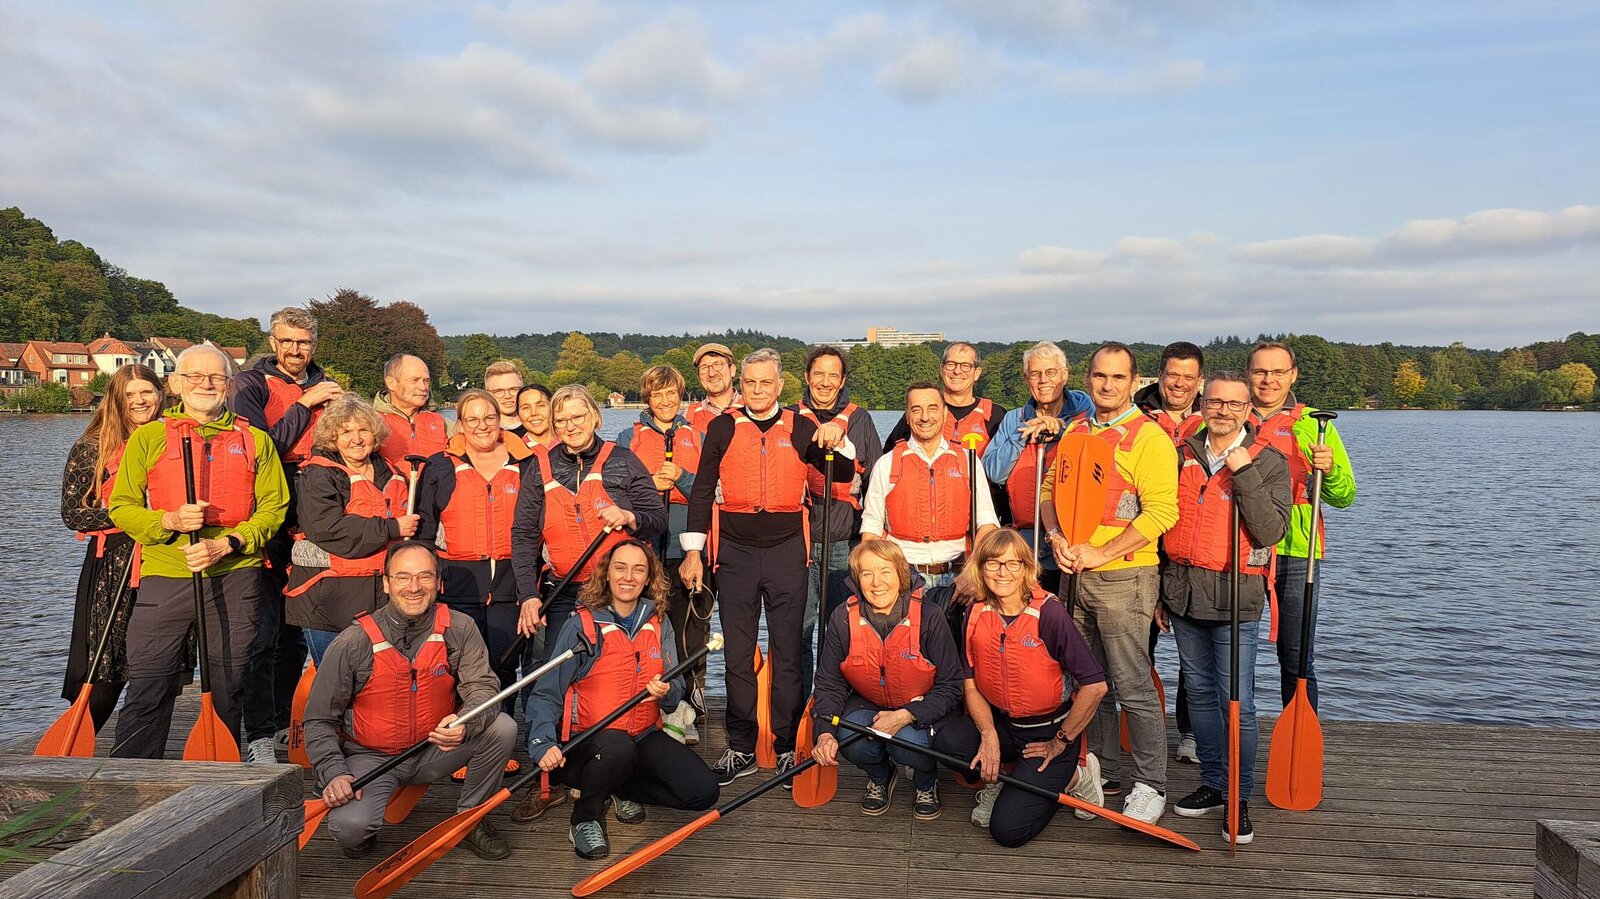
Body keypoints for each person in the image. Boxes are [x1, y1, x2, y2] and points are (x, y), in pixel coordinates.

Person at [678, 348, 854, 786]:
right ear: (742, 384)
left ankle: (787, 744)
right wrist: (694, 552)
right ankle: (741, 746)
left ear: (780, 385)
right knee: (737, 654)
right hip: (735, 552)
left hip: (787, 552)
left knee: (788, 651)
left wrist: (838, 437)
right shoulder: (722, 427)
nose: (757, 390)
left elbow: (843, 473)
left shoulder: (801, 427)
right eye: (750, 382)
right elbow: (702, 491)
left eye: (766, 382)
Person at [107, 344, 289, 759]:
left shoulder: (256, 440)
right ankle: (132, 772)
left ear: (229, 385)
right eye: (194, 376)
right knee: (150, 680)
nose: (206, 384)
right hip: (166, 571)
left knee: (229, 683)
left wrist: (227, 542)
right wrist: (169, 520)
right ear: (176, 384)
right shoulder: (149, 438)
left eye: (216, 377)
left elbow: (274, 508)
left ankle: (217, 774)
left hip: (234, 573)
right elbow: (122, 507)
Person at [303, 541, 514, 861]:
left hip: (434, 749)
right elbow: (319, 718)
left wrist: (466, 723)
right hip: (372, 758)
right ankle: (365, 822)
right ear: (387, 583)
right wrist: (333, 772)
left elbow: (483, 687)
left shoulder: (460, 627)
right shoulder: (354, 641)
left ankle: (470, 819)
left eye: (425, 576)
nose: (414, 587)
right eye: (403, 577)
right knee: (349, 828)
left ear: (438, 582)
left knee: (503, 726)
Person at [1039, 342, 1178, 824]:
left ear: (1135, 383)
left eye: (1118, 377)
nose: (1107, 385)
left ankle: (1151, 784)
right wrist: (1056, 537)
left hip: (1124, 577)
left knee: (1132, 685)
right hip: (1073, 575)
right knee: (1089, 682)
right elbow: (1049, 492)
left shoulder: (1149, 437)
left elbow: (1162, 512)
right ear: (1088, 378)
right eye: (1100, 376)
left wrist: (1101, 552)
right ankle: (1100, 772)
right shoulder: (1076, 429)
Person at [525, 540, 720, 860]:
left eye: (638, 570)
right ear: (606, 574)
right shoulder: (580, 625)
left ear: (648, 578)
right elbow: (547, 692)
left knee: (702, 792)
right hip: (586, 745)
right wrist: (542, 743)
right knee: (617, 745)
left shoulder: (659, 623)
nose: (628, 577)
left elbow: (674, 698)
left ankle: (616, 787)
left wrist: (667, 692)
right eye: (620, 568)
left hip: (642, 735)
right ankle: (584, 817)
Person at [1160, 372, 1291, 845]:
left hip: (1237, 598)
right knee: (1197, 694)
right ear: (1202, 405)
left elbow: (1271, 531)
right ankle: (1214, 783)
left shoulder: (1269, 462)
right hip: (1183, 593)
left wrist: (1244, 473)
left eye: (1234, 404)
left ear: (1247, 409)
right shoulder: (1179, 455)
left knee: (1238, 702)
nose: (1224, 411)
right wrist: (1158, 593)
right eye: (1215, 402)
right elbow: (1160, 524)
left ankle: (1239, 796)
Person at [932, 529, 1107, 847]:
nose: (1003, 572)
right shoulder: (975, 611)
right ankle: (1002, 779)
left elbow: (1095, 686)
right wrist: (988, 735)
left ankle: (1077, 776)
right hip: (1003, 725)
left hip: (1048, 734)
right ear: (980, 568)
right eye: (993, 563)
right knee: (947, 741)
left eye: (1013, 564)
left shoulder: (1049, 613)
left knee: (1007, 831)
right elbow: (970, 683)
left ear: (1027, 568)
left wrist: (1061, 740)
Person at [229, 307, 343, 762]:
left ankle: (284, 722)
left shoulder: (326, 382)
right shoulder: (249, 384)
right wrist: (305, 405)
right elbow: (261, 448)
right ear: (274, 342)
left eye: (304, 342)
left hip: (315, 504)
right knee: (263, 630)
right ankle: (258, 733)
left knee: (301, 622)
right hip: (267, 504)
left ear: (314, 344)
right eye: (287, 341)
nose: (296, 350)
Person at [810, 539, 963, 820]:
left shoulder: (929, 615)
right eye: (867, 573)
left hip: (920, 706)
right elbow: (830, 684)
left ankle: (926, 781)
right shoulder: (842, 617)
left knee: (906, 741)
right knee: (849, 736)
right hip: (867, 702)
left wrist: (908, 714)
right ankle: (880, 776)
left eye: (885, 572)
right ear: (857, 579)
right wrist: (824, 732)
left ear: (901, 575)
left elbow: (952, 685)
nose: (876, 582)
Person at [511, 385, 666, 663]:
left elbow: (658, 519)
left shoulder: (623, 460)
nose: (570, 427)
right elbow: (523, 536)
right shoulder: (539, 469)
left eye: (578, 417)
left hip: (617, 588)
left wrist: (630, 517)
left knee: (618, 666)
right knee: (554, 669)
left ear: (594, 416)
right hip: (564, 589)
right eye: (561, 421)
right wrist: (529, 596)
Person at [1246, 341, 1357, 710]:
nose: (1269, 380)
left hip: (1297, 552)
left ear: (1292, 375)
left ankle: (1298, 731)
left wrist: (1330, 471)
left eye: (1278, 372)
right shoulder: (1231, 415)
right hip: (1240, 549)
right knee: (1233, 656)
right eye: (1261, 371)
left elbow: (1345, 496)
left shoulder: (1315, 425)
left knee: (1296, 658)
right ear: (1248, 374)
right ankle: (1229, 731)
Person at [58, 363, 164, 731]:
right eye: (129, 395)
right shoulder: (92, 446)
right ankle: (80, 737)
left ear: (161, 393)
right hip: (114, 563)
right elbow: (74, 513)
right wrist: (138, 515)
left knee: (159, 662)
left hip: (165, 557)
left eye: (146, 392)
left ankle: (138, 747)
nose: (139, 401)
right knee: (106, 662)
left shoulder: (173, 438)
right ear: (116, 400)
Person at [415, 389, 532, 707]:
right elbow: (425, 529)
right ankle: (462, 731)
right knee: (459, 665)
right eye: (473, 419)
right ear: (460, 424)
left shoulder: (526, 462)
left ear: (500, 420)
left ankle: (503, 729)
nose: (482, 426)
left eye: (489, 417)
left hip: (511, 580)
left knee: (504, 662)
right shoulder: (440, 466)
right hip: (459, 581)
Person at [615, 364, 710, 742]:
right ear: (648, 398)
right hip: (646, 550)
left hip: (687, 549)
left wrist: (681, 478)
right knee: (649, 630)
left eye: (672, 393)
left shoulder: (698, 437)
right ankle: (646, 705)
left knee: (688, 632)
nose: (666, 401)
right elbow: (617, 491)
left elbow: (710, 491)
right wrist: (651, 485)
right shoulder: (628, 437)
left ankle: (688, 706)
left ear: (681, 395)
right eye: (658, 395)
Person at [284, 395, 417, 663]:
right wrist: (391, 527)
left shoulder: (393, 473)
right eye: (345, 432)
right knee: (335, 680)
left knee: (382, 678)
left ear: (375, 434)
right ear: (333, 437)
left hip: (381, 598)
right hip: (328, 602)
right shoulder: (318, 475)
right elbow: (328, 528)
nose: (356, 439)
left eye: (363, 430)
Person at [791, 346, 883, 694]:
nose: (825, 382)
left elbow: (876, 481)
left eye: (833, 375)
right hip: (798, 543)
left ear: (843, 381)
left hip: (843, 541)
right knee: (798, 631)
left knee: (840, 631)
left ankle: (833, 702)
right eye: (819, 374)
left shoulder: (860, 420)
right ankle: (799, 704)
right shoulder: (790, 418)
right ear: (807, 377)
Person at [1134, 340, 1207, 764]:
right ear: (1159, 376)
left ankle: (1190, 732)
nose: (1179, 383)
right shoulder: (1136, 417)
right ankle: (1139, 724)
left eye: (1188, 377)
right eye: (1172, 374)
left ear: (1200, 381)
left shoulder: (1215, 418)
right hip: (1143, 543)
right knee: (1138, 644)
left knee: (1191, 653)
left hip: (1190, 546)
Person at [861, 382, 999, 596]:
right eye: (916, 409)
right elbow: (871, 529)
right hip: (904, 576)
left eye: (932, 408)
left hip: (960, 576)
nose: (925, 417)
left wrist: (972, 572)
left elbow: (987, 523)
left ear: (944, 413)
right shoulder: (886, 464)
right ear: (907, 416)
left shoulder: (968, 461)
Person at [981, 341, 1093, 594]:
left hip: (1073, 538)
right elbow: (993, 472)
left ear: (1065, 374)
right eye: (1035, 374)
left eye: (1050, 372)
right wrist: (1025, 433)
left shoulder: (1087, 414)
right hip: (1026, 541)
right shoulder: (1013, 419)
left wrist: (1062, 430)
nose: (1043, 380)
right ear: (1026, 379)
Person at [883, 341, 1007, 457]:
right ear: (941, 369)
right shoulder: (920, 414)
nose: (957, 371)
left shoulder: (996, 416)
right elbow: (889, 457)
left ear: (977, 373)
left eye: (966, 366)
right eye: (951, 364)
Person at [375, 353, 450, 478]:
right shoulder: (372, 423)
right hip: (394, 489)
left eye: (426, 381)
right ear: (391, 383)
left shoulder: (442, 423)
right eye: (414, 380)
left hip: (435, 490)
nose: (423, 387)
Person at [484, 360, 527, 441]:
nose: (507, 396)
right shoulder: (482, 432)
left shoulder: (536, 428)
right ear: (488, 394)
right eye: (499, 391)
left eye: (513, 389)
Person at [516, 383, 555, 449]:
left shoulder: (568, 442)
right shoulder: (516, 450)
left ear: (552, 407)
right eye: (526, 408)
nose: (534, 413)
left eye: (541, 405)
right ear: (518, 414)